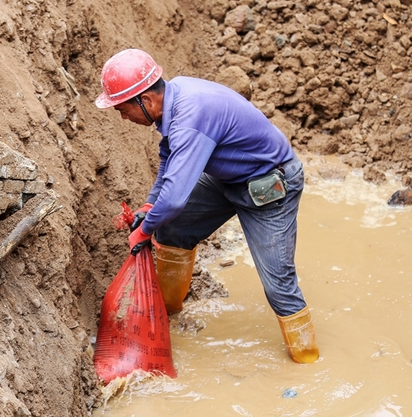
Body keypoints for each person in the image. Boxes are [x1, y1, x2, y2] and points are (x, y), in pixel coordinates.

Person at [95, 48, 319, 364]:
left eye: (122, 109)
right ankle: (168, 313)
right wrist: (149, 206)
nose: (122, 117)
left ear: (145, 100)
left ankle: (306, 358)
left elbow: (174, 198)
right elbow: (168, 161)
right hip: (227, 177)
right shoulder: (174, 97)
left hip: (269, 185)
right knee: (173, 229)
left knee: (278, 284)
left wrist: (143, 230)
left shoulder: (190, 115)